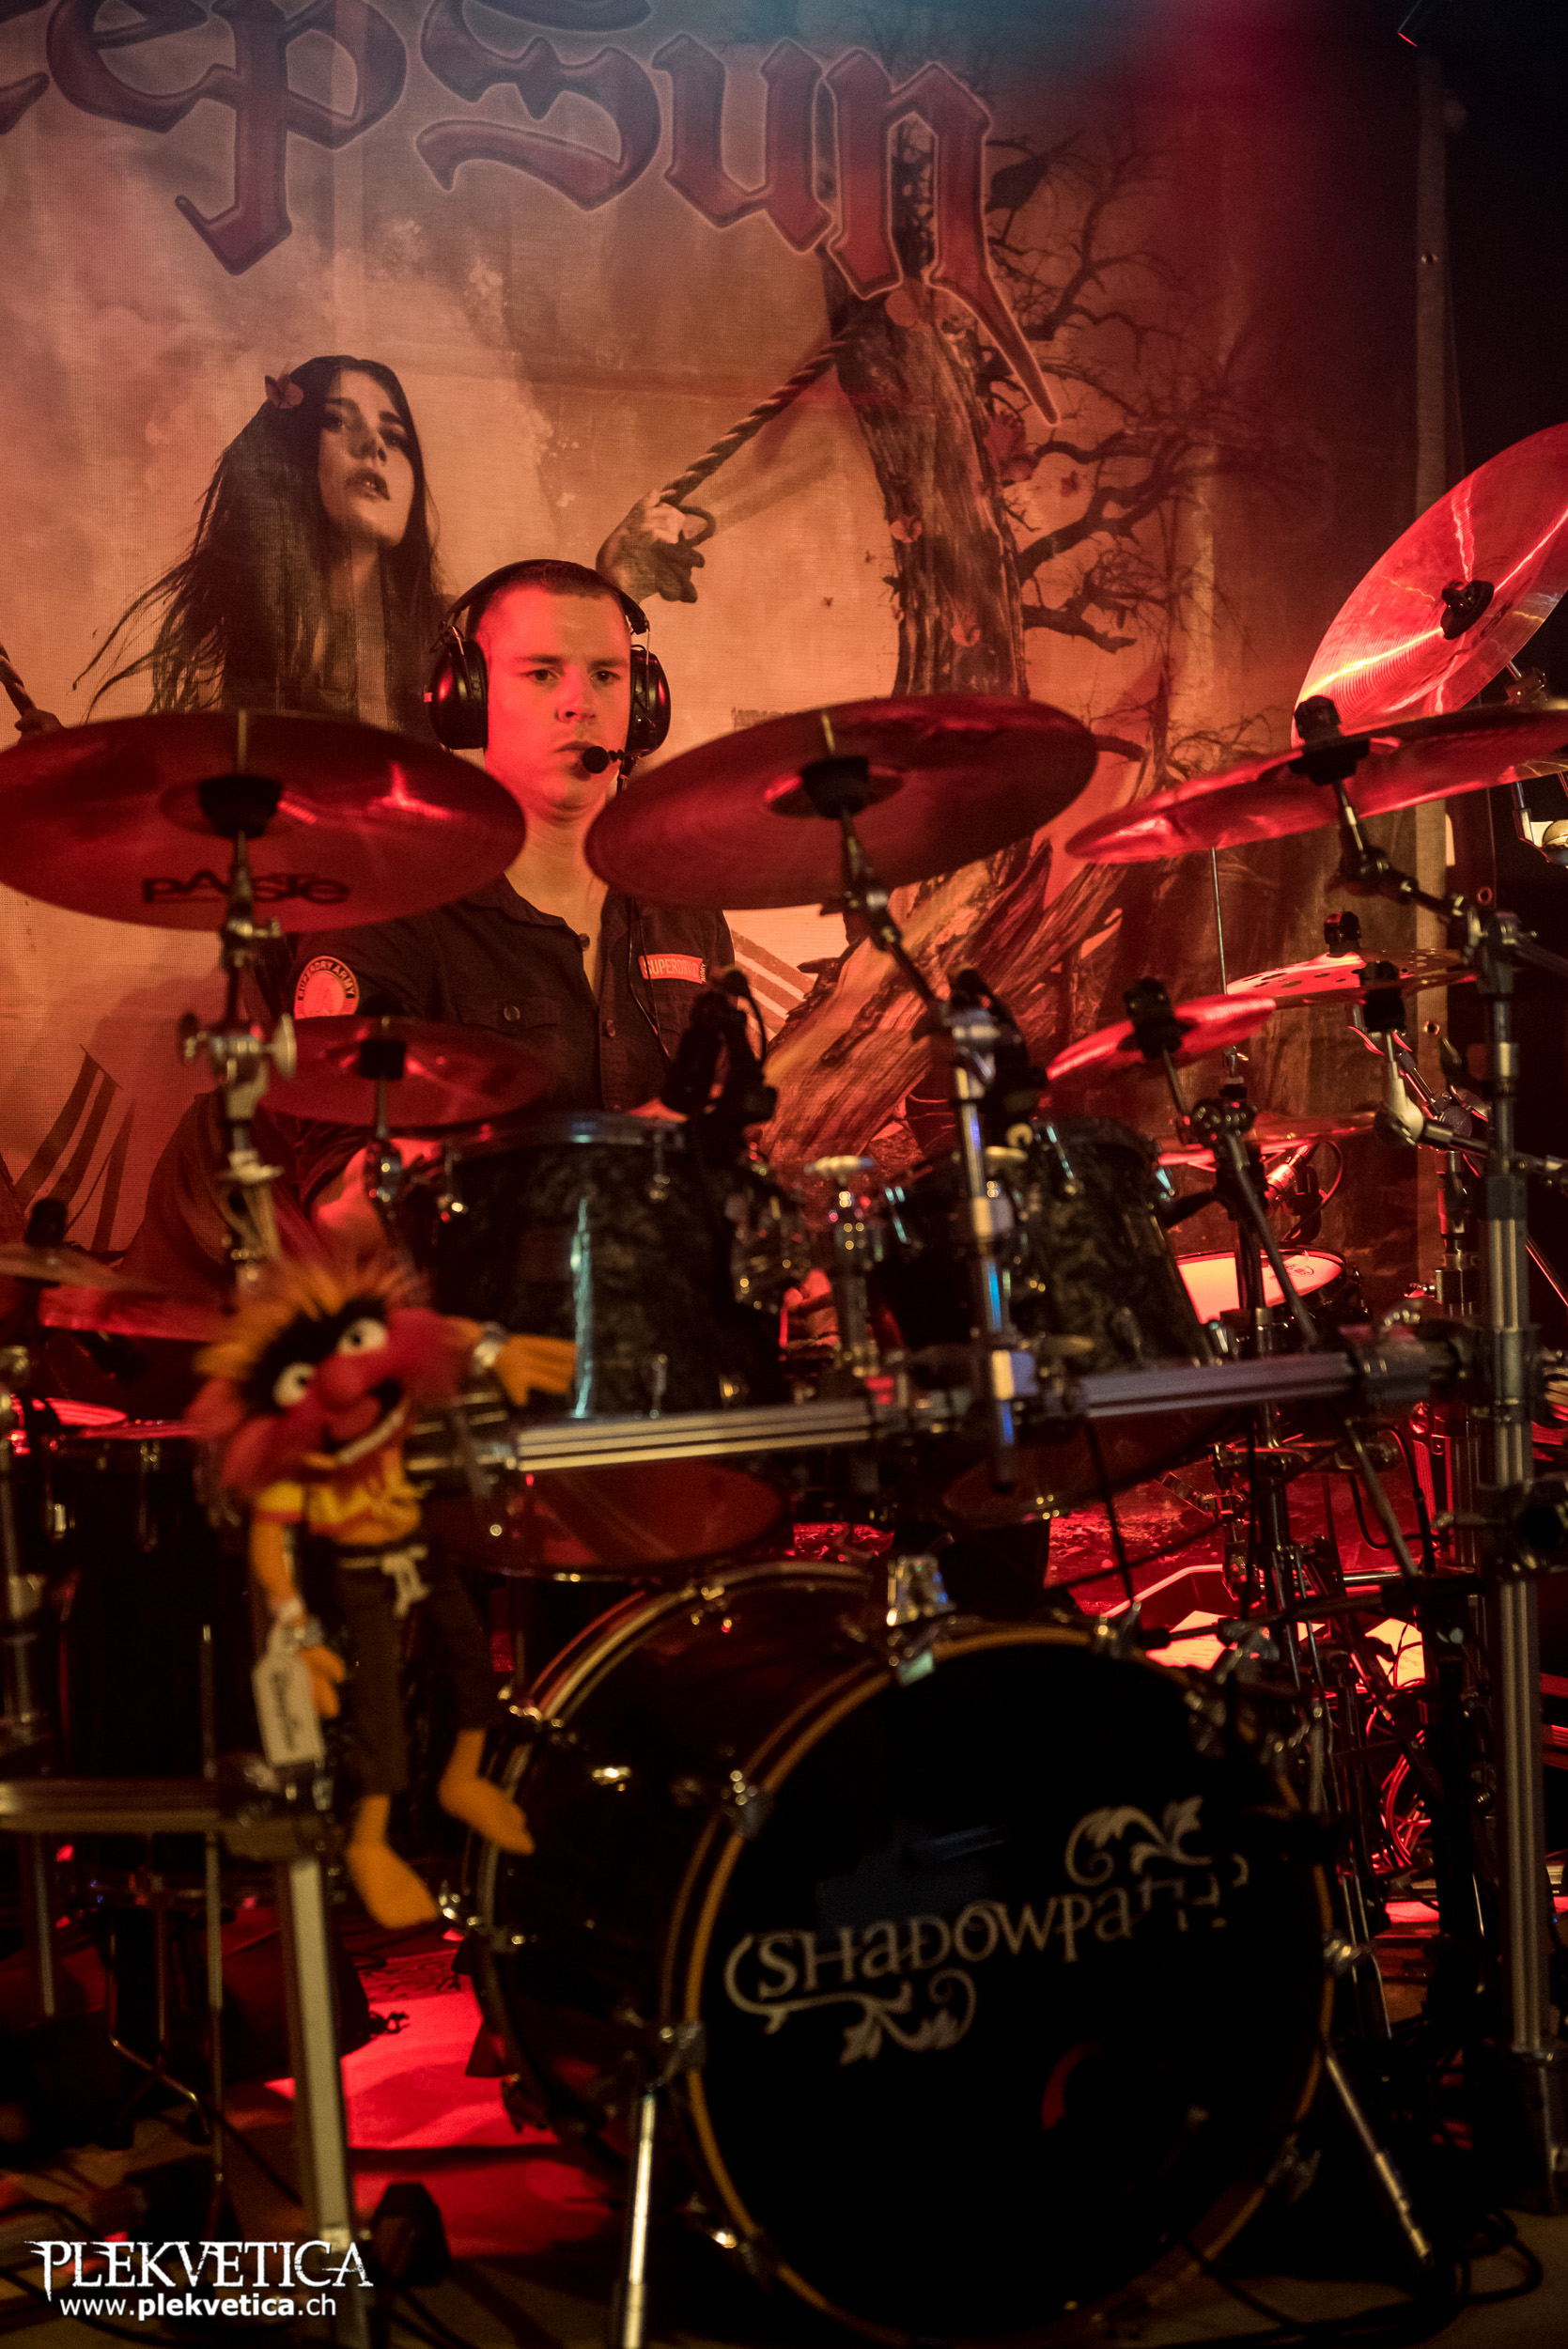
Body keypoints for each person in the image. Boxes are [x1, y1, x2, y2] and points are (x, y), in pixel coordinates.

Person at [286, 556, 728, 1234]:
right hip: (473, 1298)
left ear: (643, 705)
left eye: (606, 675)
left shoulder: (684, 906)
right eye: (542, 673)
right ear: (467, 700)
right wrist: (607, 1161)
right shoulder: (391, 909)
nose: (580, 703)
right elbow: (342, 1215)